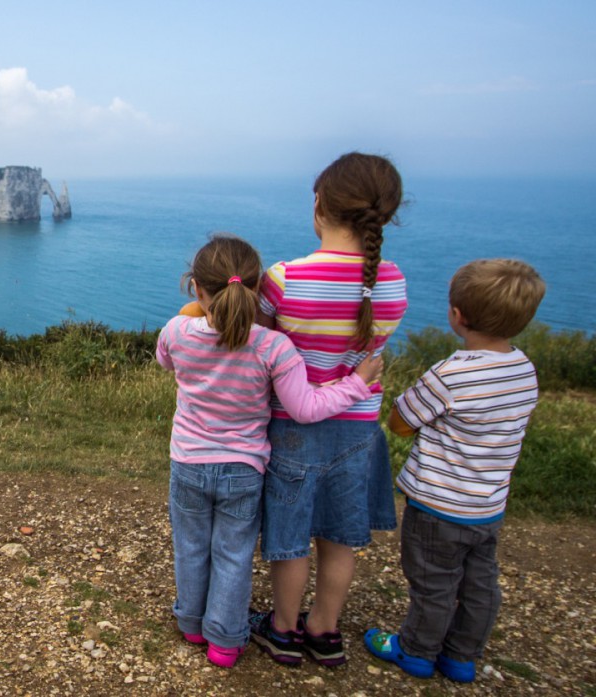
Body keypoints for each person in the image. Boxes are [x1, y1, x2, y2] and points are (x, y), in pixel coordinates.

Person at [157, 234, 383, 669]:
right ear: (258, 291)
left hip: (188, 463)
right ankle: (224, 640)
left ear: (196, 288)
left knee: (190, 546)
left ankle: (190, 622)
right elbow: (304, 408)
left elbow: (165, 359)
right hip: (243, 469)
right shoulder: (274, 347)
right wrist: (358, 383)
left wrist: (192, 313)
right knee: (233, 553)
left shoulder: (177, 332)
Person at [249, 152, 408, 668]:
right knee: (339, 537)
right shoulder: (394, 282)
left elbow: (264, 345)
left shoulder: (285, 278)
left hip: (293, 425)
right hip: (359, 427)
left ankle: (282, 628)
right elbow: (372, 346)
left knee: (290, 535)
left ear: (319, 204)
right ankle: (325, 629)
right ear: (383, 215)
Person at [365, 259, 545, 683]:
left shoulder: (452, 374)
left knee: (433, 583)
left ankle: (416, 650)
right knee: (481, 584)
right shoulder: (525, 371)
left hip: (437, 503)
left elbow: (400, 421)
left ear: (457, 315)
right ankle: (462, 656)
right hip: (487, 505)